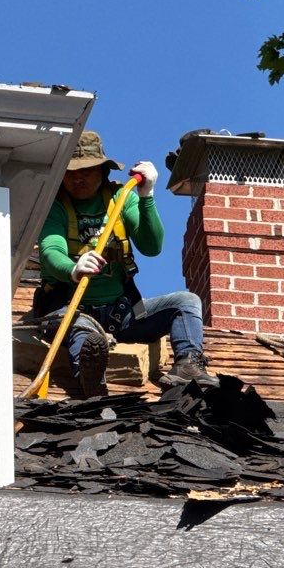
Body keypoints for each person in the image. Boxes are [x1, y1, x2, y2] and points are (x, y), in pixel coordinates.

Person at [35, 130, 212, 397]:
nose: (77, 177)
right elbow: (51, 250)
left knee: (185, 302)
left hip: (121, 314)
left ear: (103, 170)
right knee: (82, 331)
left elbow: (152, 247)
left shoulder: (121, 197)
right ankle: (91, 377)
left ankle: (189, 365)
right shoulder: (55, 206)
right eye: (70, 171)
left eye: (86, 170)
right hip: (70, 309)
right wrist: (72, 268)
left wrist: (146, 196)